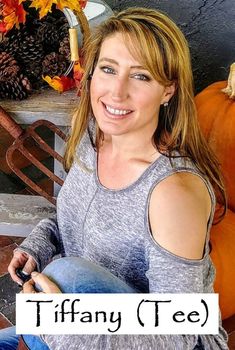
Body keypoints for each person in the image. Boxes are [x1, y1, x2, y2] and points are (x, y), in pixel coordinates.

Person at [0, 6, 229, 350]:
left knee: (66, 275)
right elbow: (75, 223)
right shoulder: (95, 137)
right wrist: (39, 244)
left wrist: (63, 329)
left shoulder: (173, 191)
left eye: (141, 76)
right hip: (79, 320)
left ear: (168, 90)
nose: (116, 93)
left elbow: (181, 332)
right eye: (108, 69)